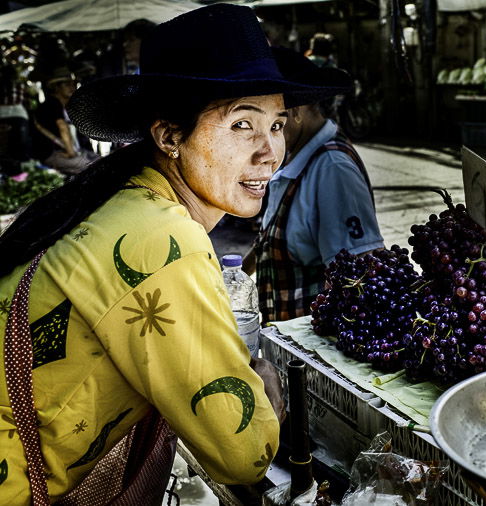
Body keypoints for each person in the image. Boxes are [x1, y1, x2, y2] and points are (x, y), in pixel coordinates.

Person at [0, 5, 339, 503]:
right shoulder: (160, 240)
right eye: (242, 124)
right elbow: (243, 454)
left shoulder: (129, 201)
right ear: (169, 136)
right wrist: (261, 379)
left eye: (278, 124)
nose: (270, 151)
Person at [250, 47, 384, 323]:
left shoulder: (333, 169)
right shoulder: (293, 158)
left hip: (314, 347)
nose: (261, 139)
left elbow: (356, 278)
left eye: (270, 125)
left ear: (294, 111)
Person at [31, 66, 98, 174]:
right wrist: (71, 153)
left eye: (73, 84)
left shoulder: (68, 106)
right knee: (90, 168)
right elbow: (63, 127)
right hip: (53, 153)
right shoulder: (51, 104)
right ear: (57, 87)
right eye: (67, 84)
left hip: (74, 151)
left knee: (101, 162)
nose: (72, 87)